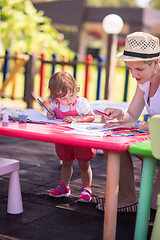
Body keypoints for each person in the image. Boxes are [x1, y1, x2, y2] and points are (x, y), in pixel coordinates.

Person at [92, 31, 160, 211]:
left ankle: (131, 198)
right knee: (112, 140)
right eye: (130, 68)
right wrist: (119, 114)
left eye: (139, 69)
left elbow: (144, 124)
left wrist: (136, 125)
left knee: (153, 207)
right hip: (156, 142)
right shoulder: (145, 80)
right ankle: (128, 196)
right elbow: (131, 116)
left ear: (155, 63)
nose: (133, 75)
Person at [47, 71, 96, 202]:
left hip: (81, 139)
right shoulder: (55, 104)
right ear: (55, 97)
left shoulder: (81, 103)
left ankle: (86, 188)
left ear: (76, 89)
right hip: (64, 139)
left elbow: (91, 117)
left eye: (72, 95)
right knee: (66, 163)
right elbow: (52, 112)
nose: (68, 100)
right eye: (63, 98)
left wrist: (76, 118)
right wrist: (50, 114)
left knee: (84, 164)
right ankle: (64, 187)